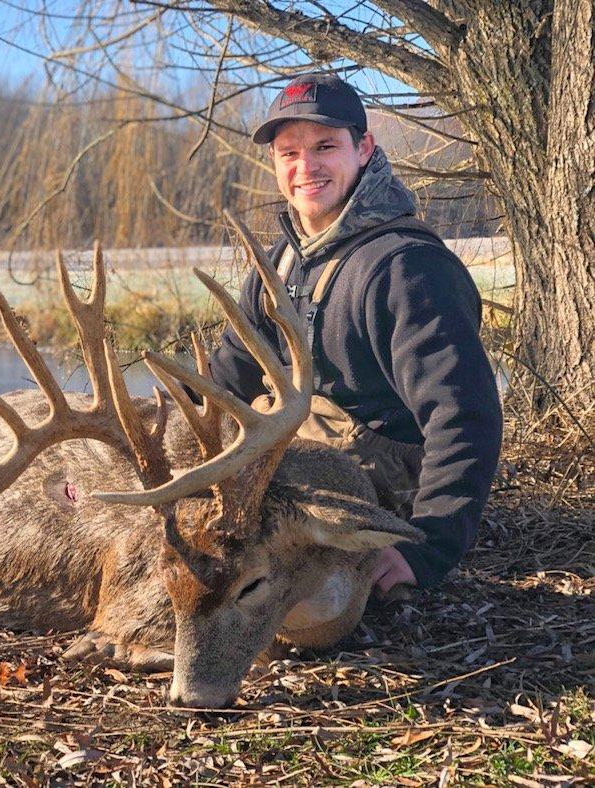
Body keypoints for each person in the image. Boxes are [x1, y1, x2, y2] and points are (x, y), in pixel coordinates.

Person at [209, 73, 502, 597]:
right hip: (295, 467)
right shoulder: (280, 262)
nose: (305, 167)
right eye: (289, 153)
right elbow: (224, 380)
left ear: (363, 148)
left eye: (325, 146)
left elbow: (464, 416)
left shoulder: (407, 268)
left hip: (375, 498)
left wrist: (427, 547)